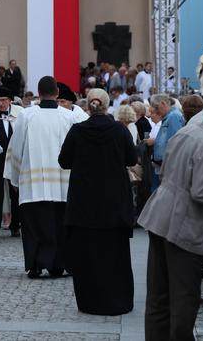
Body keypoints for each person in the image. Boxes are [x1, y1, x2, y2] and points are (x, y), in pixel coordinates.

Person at [138, 93, 203, 340]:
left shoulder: (188, 131)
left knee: (159, 294)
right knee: (184, 296)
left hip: (161, 215)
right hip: (185, 225)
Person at [59, 88, 137, 315]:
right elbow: (131, 158)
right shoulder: (119, 131)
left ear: (88, 107)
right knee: (115, 255)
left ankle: (89, 301)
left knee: (87, 255)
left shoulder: (77, 131)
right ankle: (118, 300)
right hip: (114, 202)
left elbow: (64, 161)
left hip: (84, 203)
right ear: (107, 105)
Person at [5, 76, 75, 278]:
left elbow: (16, 147)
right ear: (57, 93)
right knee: (59, 225)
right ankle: (57, 265)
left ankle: (35, 264)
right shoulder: (69, 117)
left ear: (38, 92)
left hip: (32, 183)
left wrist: (15, 177)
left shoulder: (26, 116)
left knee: (34, 226)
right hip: (63, 183)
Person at [0, 87, 23, 238]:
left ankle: (15, 226)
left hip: (15, 161)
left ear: (10, 100)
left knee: (16, 194)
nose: (1, 104)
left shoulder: (20, 113)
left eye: (4, 100)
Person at [143, 94, 185, 192]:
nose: (156, 111)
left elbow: (175, 141)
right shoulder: (170, 116)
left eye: (157, 108)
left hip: (168, 166)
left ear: (163, 103)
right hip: (164, 164)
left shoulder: (173, 116)